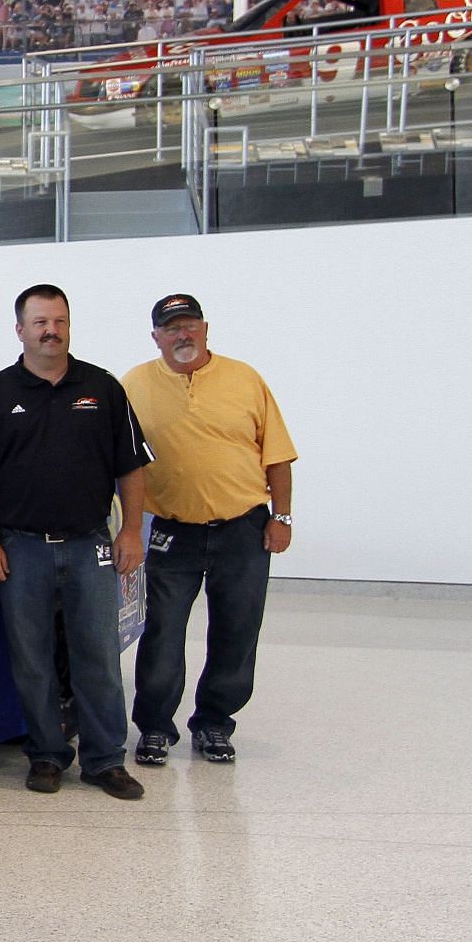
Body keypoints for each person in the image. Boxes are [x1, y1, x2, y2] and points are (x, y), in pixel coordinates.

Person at [0, 284, 152, 801]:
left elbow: (131, 466)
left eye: (59, 321)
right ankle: (46, 755)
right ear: (19, 330)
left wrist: (130, 530)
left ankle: (106, 761)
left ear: (69, 325)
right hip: (21, 549)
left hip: (91, 546)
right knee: (32, 660)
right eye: (40, 322)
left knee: (99, 659)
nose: (51, 331)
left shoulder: (103, 388)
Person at [121, 294, 297, 766]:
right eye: (171, 328)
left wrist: (281, 517)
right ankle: (155, 728)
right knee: (161, 632)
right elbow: (120, 463)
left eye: (190, 325)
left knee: (237, 631)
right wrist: (128, 529)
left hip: (244, 530)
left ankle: (215, 723)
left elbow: (276, 454)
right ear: (155, 337)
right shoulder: (134, 385)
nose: (183, 335)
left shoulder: (245, 379)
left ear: (205, 329)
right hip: (171, 534)